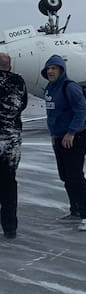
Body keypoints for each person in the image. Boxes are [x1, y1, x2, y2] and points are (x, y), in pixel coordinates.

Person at [42, 55, 86, 231]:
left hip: (75, 138)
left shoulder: (69, 87)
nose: (50, 71)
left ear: (62, 70)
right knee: (65, 176)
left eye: (54, 68)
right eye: (48, 68)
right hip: (58, 138)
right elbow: (53, 115)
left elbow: (83, 110)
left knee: (76, 176)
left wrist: (71, 132)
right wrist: (54, 135)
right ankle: (75, 210)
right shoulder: (49, 88)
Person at [0, 53, 28, 239]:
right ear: (10, 66)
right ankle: (10, 227)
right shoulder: (18, 81)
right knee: (9, 183)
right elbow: (23, 104)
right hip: (11, 140)